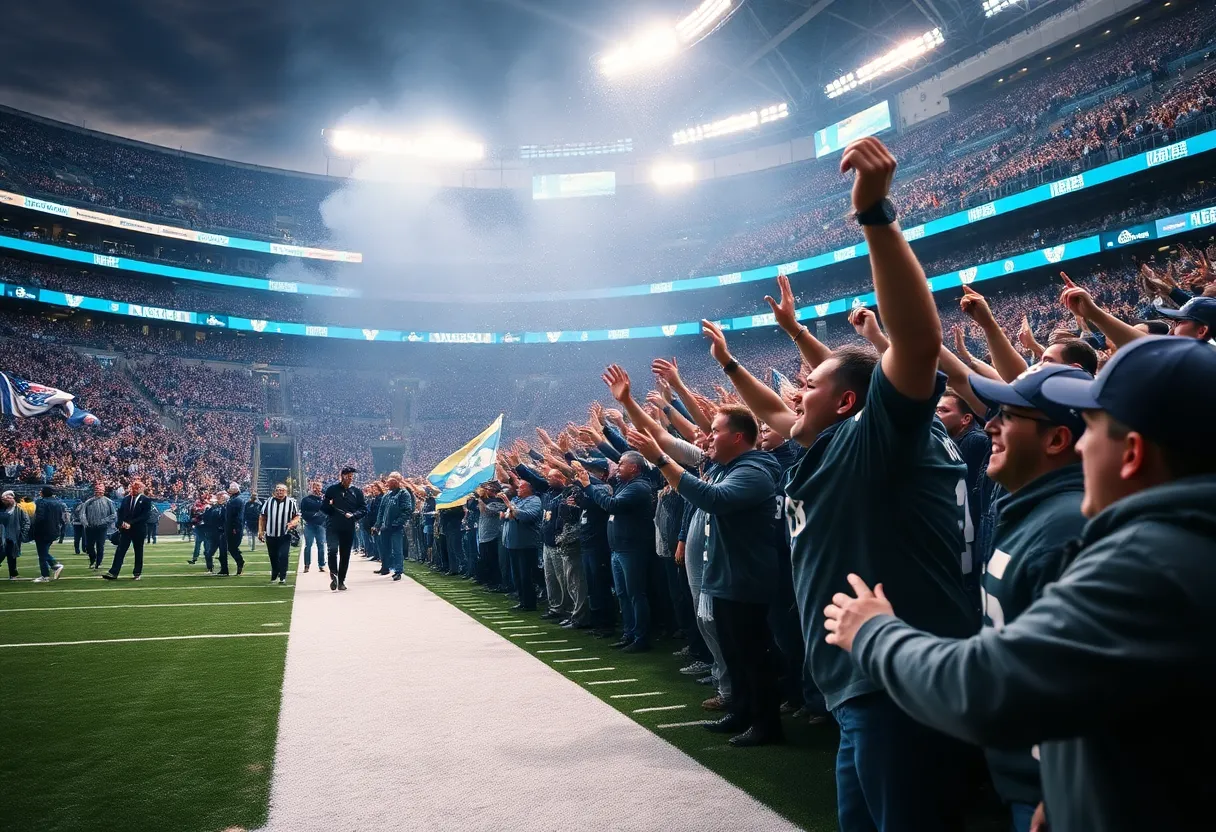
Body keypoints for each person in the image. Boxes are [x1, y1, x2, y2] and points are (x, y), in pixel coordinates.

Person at [824, 335, 1216, 832]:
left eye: (1090, 429)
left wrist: (873, 632)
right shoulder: (1170, 544)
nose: (1082, 446)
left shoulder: (1150, 561)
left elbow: (986, 686)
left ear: (1132, 453)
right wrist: (1064, 786)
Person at [710, 137, 977, 829]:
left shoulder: (873, 440)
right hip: (859, 685)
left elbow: (916, 346)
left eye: (810, 383)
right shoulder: (834, 442)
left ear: (850, 403)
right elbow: (779, 413)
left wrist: (875, 217)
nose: (795, 390)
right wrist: (734, 365)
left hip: (898, 680)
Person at [628, 402, 785, 747]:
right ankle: (742, 711)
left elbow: (713, 499)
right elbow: (664, 440)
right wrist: (628, 404)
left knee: (753, 655)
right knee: (734, 653)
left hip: (746, 577)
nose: (709, 437)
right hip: (725, 575)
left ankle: (766, 724)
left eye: (716, 430)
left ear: (738, 437)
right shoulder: (724, 466)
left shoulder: (756, 469)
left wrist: (659, 459)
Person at [575, 450, 657, 652]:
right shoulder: (624, 485)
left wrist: (588, 485)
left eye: (621, 464)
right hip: (618, 549)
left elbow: (612, 505)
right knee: (622, 594)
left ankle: (641, 638)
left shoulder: (639, 487)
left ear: (634, 468)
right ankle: (628, 633)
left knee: (636, 594)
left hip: (633, 549)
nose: (617, 467)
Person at [500, 479, 543, 611]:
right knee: (517, 575)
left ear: (529, 489)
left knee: (526, 575)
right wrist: (510, 511)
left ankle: (530, 603)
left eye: (521, 487)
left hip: (526, 544)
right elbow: (508, 515)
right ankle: (522, 600)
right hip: (512, 543)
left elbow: (528, 516)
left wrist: (510, 507)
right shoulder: (517, 501)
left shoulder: (534, 500)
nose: (518, 489)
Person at [322, 466, 366, 591]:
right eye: (348, 476)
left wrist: (354, 515)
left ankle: (341, 580)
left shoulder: (357, 492)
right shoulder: (332, 490)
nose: (350, 478)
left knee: (345, 554)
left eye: (352, 476)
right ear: (342, 476)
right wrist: (329, 506)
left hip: (348, 526)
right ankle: (334, 574)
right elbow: (324, 507)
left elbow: (363, 509)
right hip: (333, 525)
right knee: (332, 550)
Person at [103, 480, 152, 581]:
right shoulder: (126, 499)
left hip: (138, 530)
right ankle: (113, 572)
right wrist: (120, 523)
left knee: (138, 551)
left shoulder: (146, 500)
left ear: (142, 489)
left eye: (137, 487)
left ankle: (137, 573)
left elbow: (145, 516)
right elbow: (120, 512)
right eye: (133, 487)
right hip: (125, 530)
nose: (134, 489)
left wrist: (131, 523)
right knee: (120, 550)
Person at [372, 474, 412, 581]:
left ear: (396, 482)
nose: (387, 484)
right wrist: (377, 525)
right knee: (385, 549)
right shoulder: (387, 495)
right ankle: (385, 567)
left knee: (397, 549)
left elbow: (407, 510)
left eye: (389, 482)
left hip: (396, 528)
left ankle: (398, 571)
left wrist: (397, 523)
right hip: (385, 527)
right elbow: (381, 511)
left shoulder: (404, 494)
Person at [259, 483, 300, 585]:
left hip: (285, 534)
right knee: (273, 555)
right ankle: (275, 572)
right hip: (271, 534)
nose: (279, 491)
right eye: (277, 489)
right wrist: (260, 531)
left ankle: (283, 575)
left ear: (286, 491)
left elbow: (297, 516)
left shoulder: (291, 502)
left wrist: (292, 523)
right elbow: (262, 517)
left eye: (281, 490)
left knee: (283, 555)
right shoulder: (269, 501)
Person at [31, 486, 66, 582]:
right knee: (44, 552)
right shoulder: (58, 502)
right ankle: (47, 573)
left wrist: (33, 527)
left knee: (42, 553)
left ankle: (52, 568)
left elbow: (39, 518)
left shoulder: (40, 502)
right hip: (54, 530)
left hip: (42, 531)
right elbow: (61, 518)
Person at [80, 483, 116, 570]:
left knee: (100, 545)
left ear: (103, 491)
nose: (99, 492)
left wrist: (104, 520)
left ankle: (98, 563)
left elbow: (114, 514)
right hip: (90, 527)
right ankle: (93, 560)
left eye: (100, 490)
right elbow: (82, 513)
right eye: (97, 490)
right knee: (89, 546)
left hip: (102, 527)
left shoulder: (108, 502)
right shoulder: (88, 502)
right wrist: (85, 522)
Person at [298, 481, 327, 573]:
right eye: (315, 486)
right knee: (308, 545)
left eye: (319, 486)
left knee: (321, 545)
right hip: (309, 524)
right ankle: (307, 565)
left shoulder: (324, 499)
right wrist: (314, 515)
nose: (317, 488)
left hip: (321, 525)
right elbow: (303, 512)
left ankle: (321, 565)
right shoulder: (306, 499)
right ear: (312, 487)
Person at [1, 491, 30, 580]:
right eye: (4, 499)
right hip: (2, 536)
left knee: (12, 556)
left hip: (13, 536)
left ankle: (13, 574)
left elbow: (26, 522)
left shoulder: (20, 508)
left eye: (8, 498)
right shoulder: (2, 508)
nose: (6, 500)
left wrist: (22, 534)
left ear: (12, 498)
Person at [224, 483, 245, 568]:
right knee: (231, 547)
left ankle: (240, 561)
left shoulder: (236, 500)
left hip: (233, 527)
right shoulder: (235, 499)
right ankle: (239, 561)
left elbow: (236, 516)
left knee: (232, 547)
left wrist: (234, 527)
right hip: (232, 526)